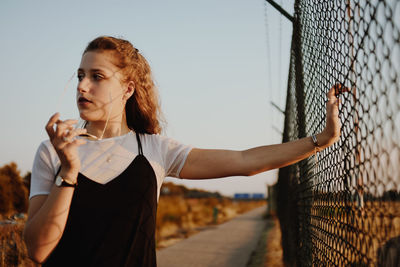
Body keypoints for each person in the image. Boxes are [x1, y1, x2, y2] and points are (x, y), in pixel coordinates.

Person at [23, 36, 344, 267]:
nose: (82, 86)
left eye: (97, 77)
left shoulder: (154, 149)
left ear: (128, 88)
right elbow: (37, 250)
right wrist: (68, 171)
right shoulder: (52, 152)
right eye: (80, 76)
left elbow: (245, 161)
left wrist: (321, 139)